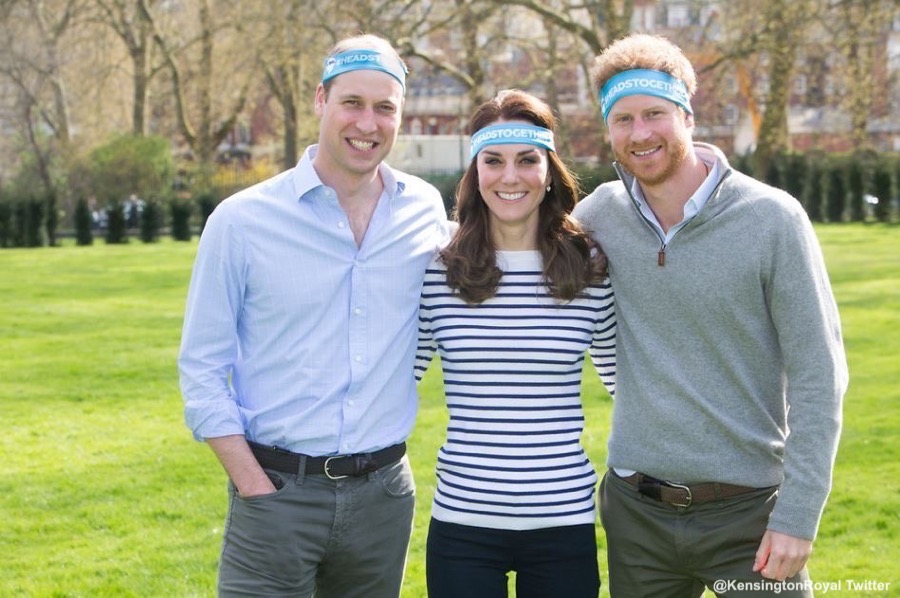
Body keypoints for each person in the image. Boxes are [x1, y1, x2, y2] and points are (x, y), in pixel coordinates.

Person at [572, 33, 848, 597]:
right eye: (622, 119)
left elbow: (820, 376)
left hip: (749, 517)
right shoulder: (599, 214)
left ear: (688, 116)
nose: (640, 133)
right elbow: (518, 261)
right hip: (637, 513)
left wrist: (798, 515)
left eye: (655, 114)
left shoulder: (773, 219)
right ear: (608, 130)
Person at [177, 33, 449, 597]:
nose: (367, 124)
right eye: (352, 102)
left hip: (383, 498)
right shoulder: (241, 221)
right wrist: (254, 485)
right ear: (321, 101)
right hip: (275, 491)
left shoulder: (424, 209)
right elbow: (202, 370)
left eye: (385, 108)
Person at [415, 89, 616, 598]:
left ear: (549, 170)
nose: (510, 177)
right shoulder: (438, 269)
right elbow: (393, 379)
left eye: (528, 160)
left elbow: (626, 384)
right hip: (462, 522)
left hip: (563, 520)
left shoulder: (590, 266)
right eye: (494, 161)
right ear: (474, 171)